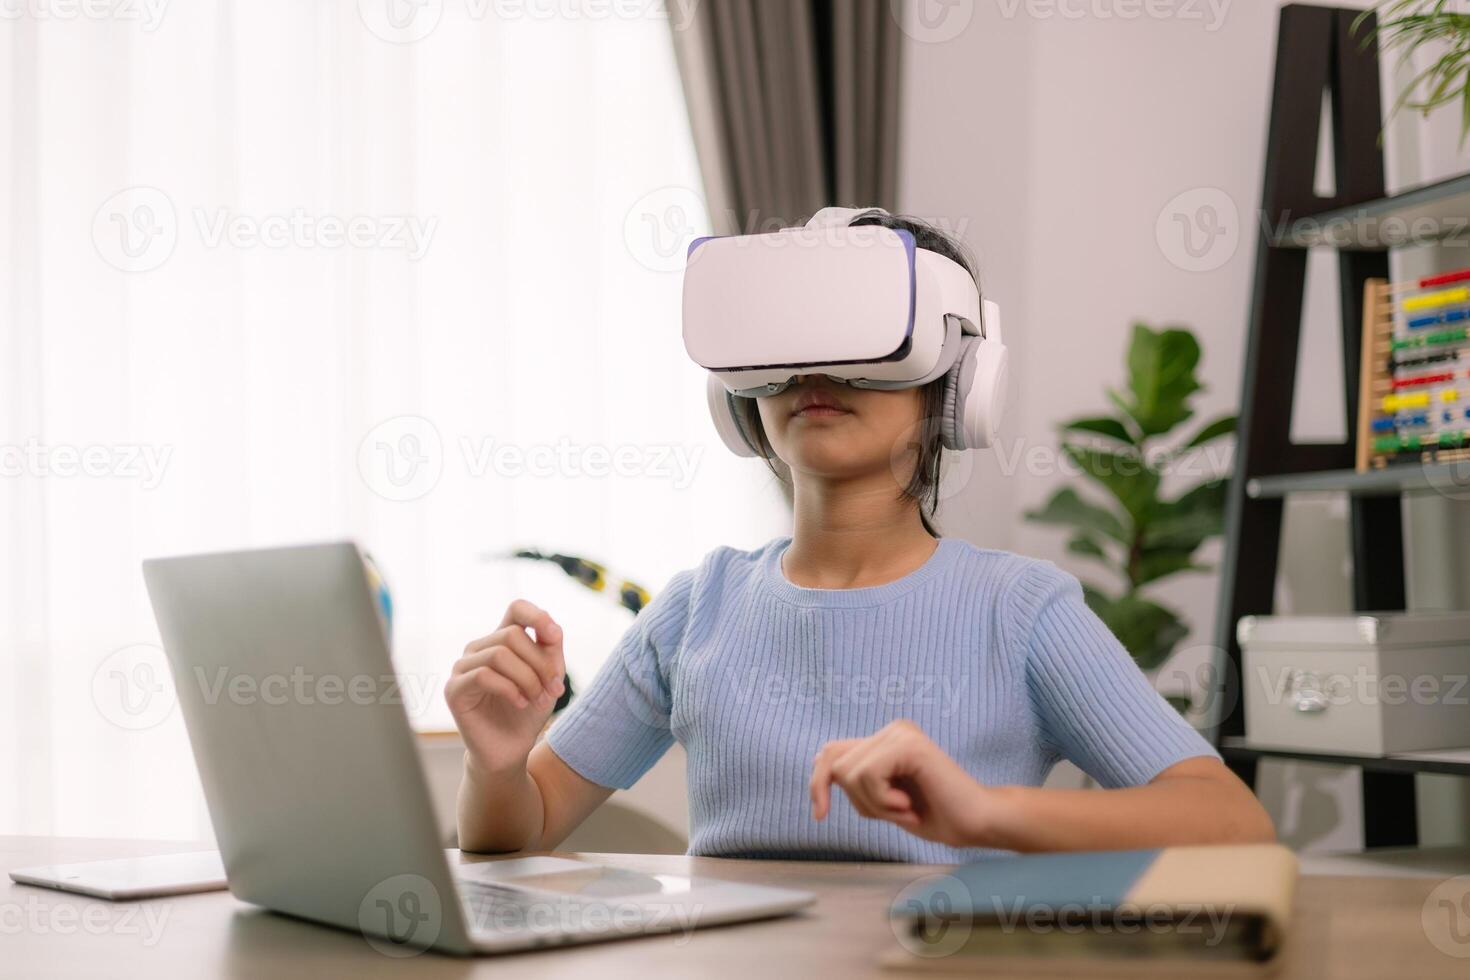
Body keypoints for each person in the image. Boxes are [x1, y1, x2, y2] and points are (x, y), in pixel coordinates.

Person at [446, 212, 1274, 861]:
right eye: (787, 336)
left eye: (858, 331)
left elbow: (1231, 821)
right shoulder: (698, 610)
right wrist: (498, 763)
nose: (815, 368)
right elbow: (521, 833)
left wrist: (988, 814)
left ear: (955, 388)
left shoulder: (1018, 613)